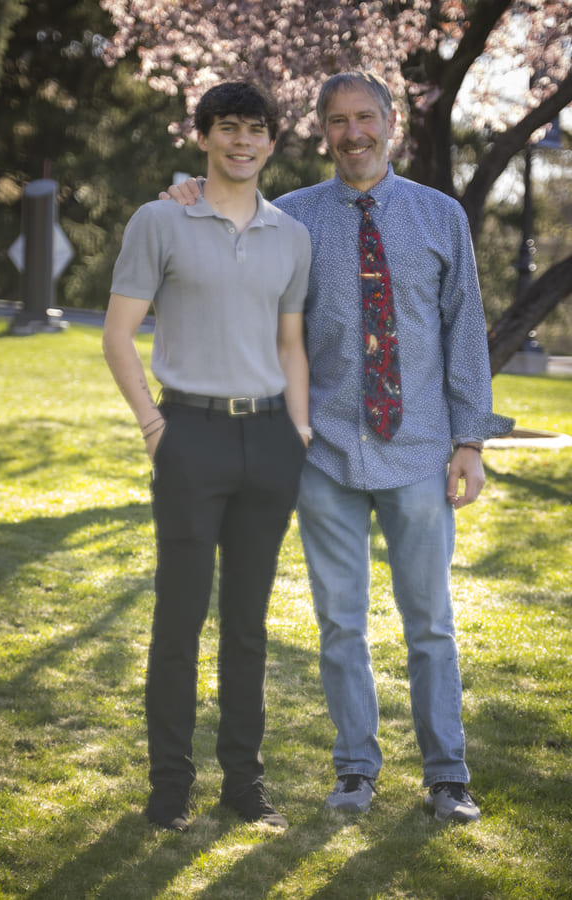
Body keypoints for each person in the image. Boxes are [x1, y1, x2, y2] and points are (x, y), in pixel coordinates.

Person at [162, 71, 514, 825]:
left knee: (430, 622)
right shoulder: (288, 220)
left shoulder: (440, 216)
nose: (353, 133)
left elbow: (465, 333)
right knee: (341, 622)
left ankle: (447, 774)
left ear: (391, 124)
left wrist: (469, 440)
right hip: (321, 454)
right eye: (338, 121)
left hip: (419, 450)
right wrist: (186, 201)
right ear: (323, 131)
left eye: (365, 118)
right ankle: (355, 768)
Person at [103, 81, 312, 833]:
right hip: (189, 435)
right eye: (228, 128)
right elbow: (118, 333)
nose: (242, 143)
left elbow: (290, 344)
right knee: (180, 618)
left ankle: (244, 786)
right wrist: (154, 425)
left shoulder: (291, 235)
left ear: (272, 141)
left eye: (256, 130)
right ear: (203, 136)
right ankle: (169, 788)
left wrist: (299, 430)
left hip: (270, 444)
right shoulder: (160, 219)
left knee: (248, 627)